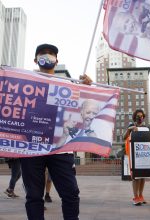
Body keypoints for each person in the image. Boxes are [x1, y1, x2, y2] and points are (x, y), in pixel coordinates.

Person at [20, 43, 92, 220]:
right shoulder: (24, 81)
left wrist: (87, 87)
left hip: (61, 147)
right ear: (35, 60)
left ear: (57, 60)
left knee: (71, 193)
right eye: (43, 53)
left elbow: (84, 106)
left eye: (51, 54)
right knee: (34, 196)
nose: (47, 56)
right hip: (31, 147)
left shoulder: (68, 84)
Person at [123, 109, 150, 206]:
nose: (140, 118)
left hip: (144, 154)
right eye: (138, 116)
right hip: (134, 155)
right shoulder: (131, 126)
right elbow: (124, 137)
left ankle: (141, 195)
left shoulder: (146, 128)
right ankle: (135, 197)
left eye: (142, 116)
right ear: (135, 117)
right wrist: (130, 129)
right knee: (136, 176)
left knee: (143, 175)